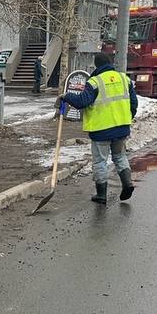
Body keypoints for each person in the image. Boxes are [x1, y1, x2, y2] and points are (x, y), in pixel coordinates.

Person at [58, 52, 138, 205]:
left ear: (96, 65)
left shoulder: (95, 82)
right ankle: (127, 183)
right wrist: (127, 118)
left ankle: (101, 194)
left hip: (102, 130)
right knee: (120, 156)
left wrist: (66, 96)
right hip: (121, 129)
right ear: (111, 62)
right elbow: (133, 103)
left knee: (100, 161)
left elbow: (82, 101)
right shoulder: (124, 79)